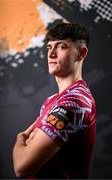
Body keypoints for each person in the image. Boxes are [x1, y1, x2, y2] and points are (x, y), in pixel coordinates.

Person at [13, 22, 96, 179]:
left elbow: (22, 167)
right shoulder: (52, 100)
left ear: (81, 53)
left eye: (61, 46)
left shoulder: (74, 101)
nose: (51, 54)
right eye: (49, 48)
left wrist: (21, 139)